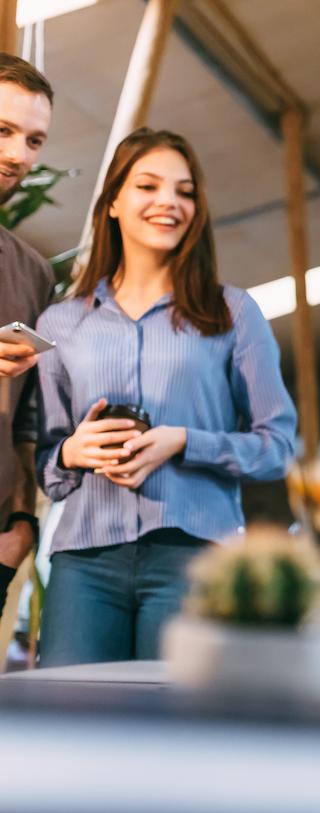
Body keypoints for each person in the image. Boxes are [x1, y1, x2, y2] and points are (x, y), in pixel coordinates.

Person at [35, 128, 296, 666]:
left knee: (180, 715)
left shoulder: (232, 313)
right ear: (112, 202)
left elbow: (278, 447)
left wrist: (183, 441)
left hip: (196, 559)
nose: (168, 202)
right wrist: (72, 452)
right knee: (70, 712)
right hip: (85, 563)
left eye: (185, 191)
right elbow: (48, 467)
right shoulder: (62, 323)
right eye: (148, 186)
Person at [0, 54, 55, 616]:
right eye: (3, 131)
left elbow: (27, 416)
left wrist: (21, 522)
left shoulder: (33, 273)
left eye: (34, 140)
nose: (19, 155)